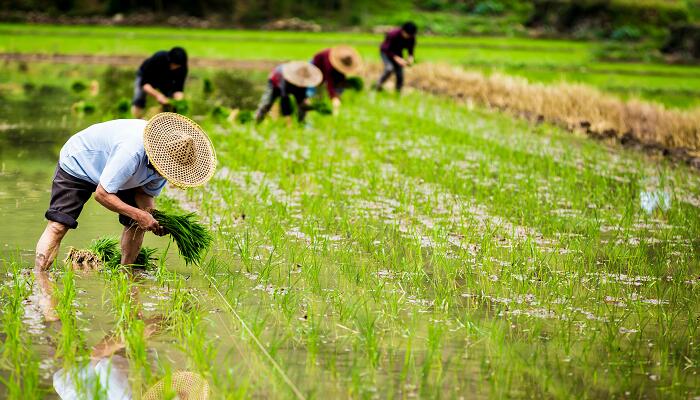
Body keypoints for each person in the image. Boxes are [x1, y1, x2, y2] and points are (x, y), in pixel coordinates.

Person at [34, 112, 217, 321]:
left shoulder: (164, 167)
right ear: (157, 155)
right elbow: (102, 194)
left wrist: (153, 218)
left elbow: (144, 194)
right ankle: (40, 281)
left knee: (137, 224)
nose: (166, 174)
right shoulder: (132, 151)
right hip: (80, 162)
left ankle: (126, 274)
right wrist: (139, 214)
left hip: (122, 175)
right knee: (59, 225)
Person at [255, 61, 323, 124]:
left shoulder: (303, 81)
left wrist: (306, 105)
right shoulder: (286, 78)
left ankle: (301, 123)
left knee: (302, 104)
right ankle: (257, 122)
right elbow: (284, 98)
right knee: (267, 103)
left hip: (290, 84)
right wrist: (288, 119)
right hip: (275, 83)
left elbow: (301, 98)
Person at [131, 47, 188, 118]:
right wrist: (158, 95)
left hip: (166, 79)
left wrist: (178, 102)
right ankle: (136, 119)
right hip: (147, 76)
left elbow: (178, 88)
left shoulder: (182, 67)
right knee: (139, 99)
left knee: (170, 103)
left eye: (177, 66)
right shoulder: (158, 58)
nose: (175, 68)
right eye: (174, 65)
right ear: (169, 60)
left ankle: (165, 123)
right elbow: (145, 84)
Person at [310, 46, 362, 115]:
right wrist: (333, 97)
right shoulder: (329, 65)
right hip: (315, 65)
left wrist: (338, 94)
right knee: (315, 89)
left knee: (335, 87)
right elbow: (329, 82)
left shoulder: (340, 62)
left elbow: (341, 77)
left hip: (326, 68)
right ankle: (315, 107)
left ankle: (321, 104)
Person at [375, 22, 417, 93]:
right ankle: (378, 85)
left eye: (411, 35)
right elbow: (386, 49)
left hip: (397, 52)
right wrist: (397, 58)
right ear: (403, 31)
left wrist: (410, 57)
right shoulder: (393, 34)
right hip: (386, 52)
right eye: (408, 34)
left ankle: (398, 92)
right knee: (389, 68)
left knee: (400, 73)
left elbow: (411, 50)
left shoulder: (411, 37)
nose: (409, 37)